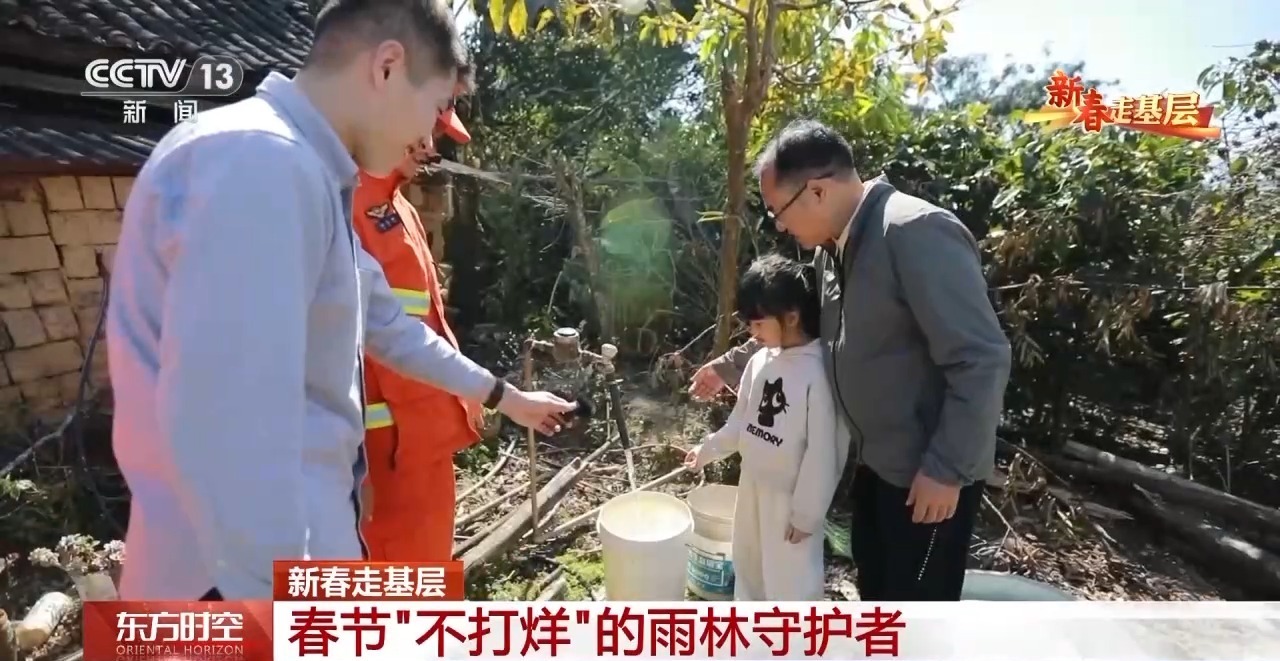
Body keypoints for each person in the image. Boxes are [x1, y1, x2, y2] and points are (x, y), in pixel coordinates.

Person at [107, 0, 575, 601]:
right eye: (435, 106)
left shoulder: (305, 175)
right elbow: (233, 437)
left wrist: (506, 398)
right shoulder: (260, 161)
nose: (429, 136)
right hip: (238, 592)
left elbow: (392, 327)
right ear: (387, 67)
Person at [689, 120, 1012, 601]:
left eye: (780, 211)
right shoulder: (833, 252)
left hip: (927, 478)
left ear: (817, 191)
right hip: (877, 465)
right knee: (878, 593)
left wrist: (947, 469)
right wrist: (729, 366)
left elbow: (981, 358)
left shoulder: (912, 231)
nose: (780, 226)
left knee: (916, 611)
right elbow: (795, 331)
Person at [684, 254, 849, 601]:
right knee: (749, 565)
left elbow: (824, 452)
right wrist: (707, 449)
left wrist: (807, 514)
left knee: (790, 579)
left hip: (789, 502)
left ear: (792, 316)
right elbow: (740, 423)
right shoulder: (759, 362)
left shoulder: (818, 373)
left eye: (759, 324)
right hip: (752, 487)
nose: (752, 333)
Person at [356, 101, 478, 562]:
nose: (430, 147)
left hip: (423, 442)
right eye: (427, 130)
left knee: (426, 571)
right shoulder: (338, 203)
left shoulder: (400, 206)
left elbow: (421, 323)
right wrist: (351, 464)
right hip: (380, 454)